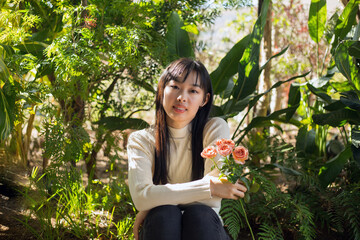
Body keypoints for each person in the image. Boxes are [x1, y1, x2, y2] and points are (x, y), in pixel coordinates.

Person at [127, 58, 247, 240]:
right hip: (162, 229)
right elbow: (141, 198)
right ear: (162, 90)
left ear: (204, 99)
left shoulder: (214, 128)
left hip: (206, 230)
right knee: (164, 215)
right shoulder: (141, 140)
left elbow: (213, 199)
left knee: (199, 215)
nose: (182, 97)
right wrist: (210, 186)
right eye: (175, 87)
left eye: (193, 90)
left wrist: (154, 200)